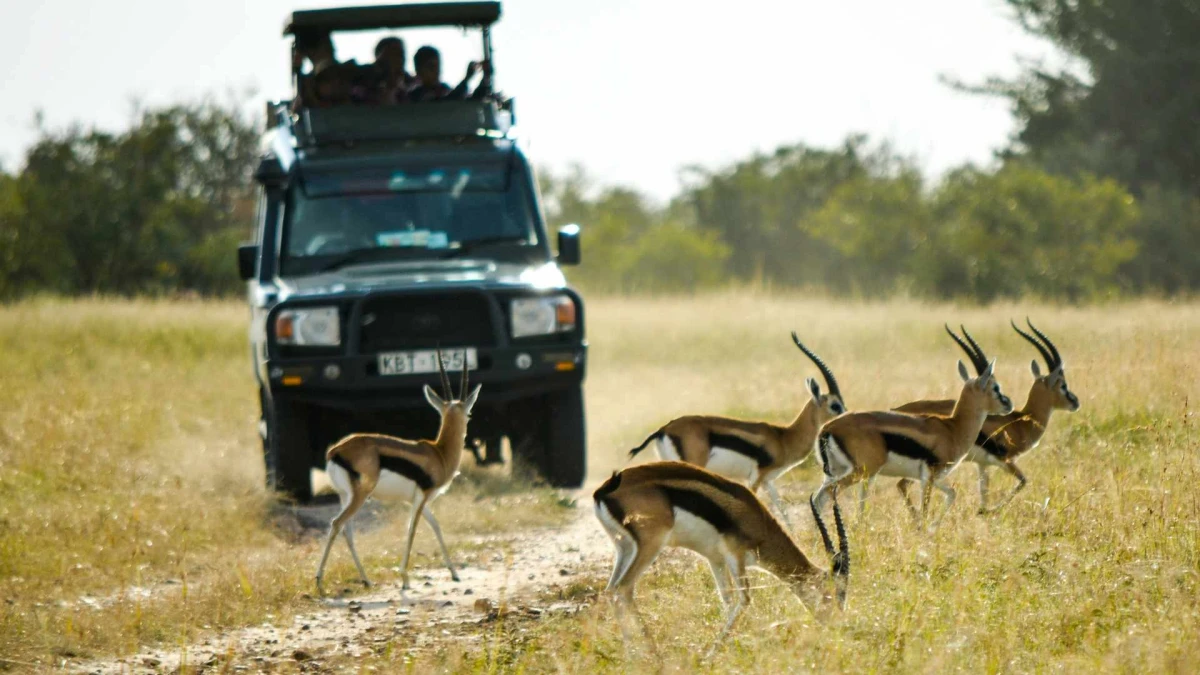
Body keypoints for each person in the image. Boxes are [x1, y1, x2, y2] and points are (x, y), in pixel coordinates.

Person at [407, 45, 492, 102]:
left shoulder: (445, 89)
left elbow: (468, 103)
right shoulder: (415, 96)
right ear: (419, 70)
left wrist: (485, 78)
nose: (437, 70)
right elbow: (446, 104)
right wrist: (467, 79)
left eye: (438, 65)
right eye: (431, 66)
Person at [374, 36, 413, 104]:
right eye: (392, 55)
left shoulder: (414, 85)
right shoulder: (368, 86)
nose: (398, 59)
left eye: (401, 54)